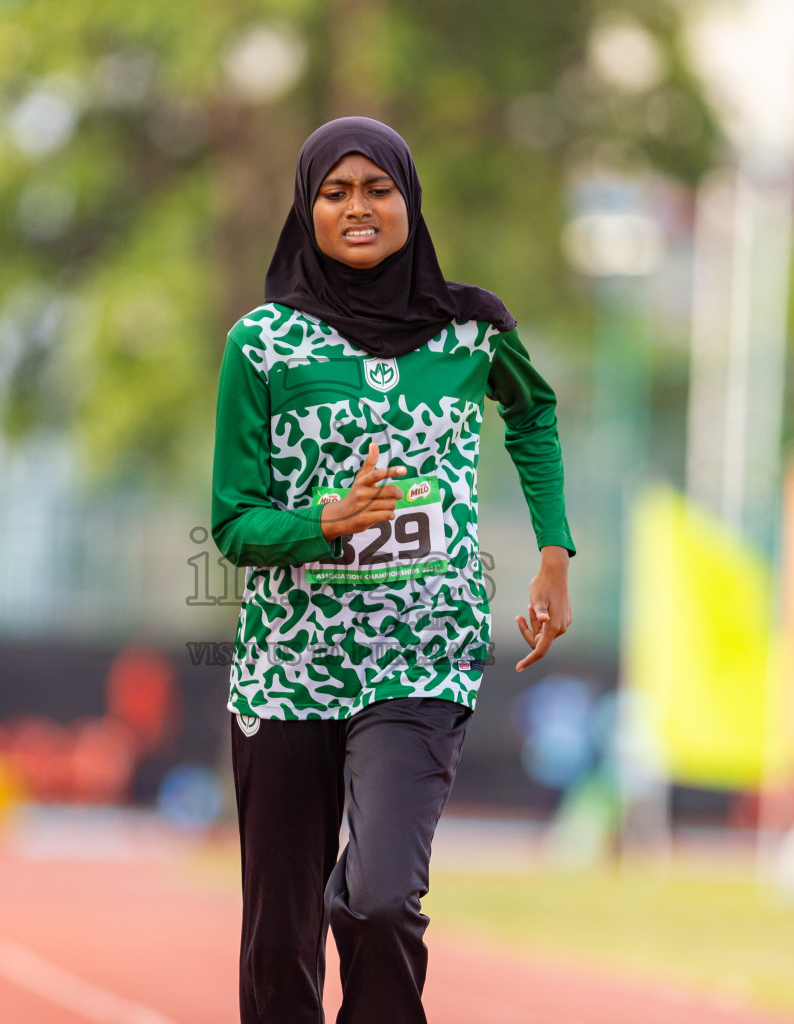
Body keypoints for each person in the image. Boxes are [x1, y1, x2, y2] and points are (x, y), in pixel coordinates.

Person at [210, 115, 575, 1024]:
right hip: (289, 668)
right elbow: (232, 522)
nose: (359, 208)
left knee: (375, 898)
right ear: (307, 208)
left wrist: (554, 553)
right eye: (337, 192)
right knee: (279, 936)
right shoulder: (260, 345)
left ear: (411, 202)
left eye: (380, 190)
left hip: (423, 656)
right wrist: (323, 524)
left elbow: (533, 416)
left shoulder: (471, 333)